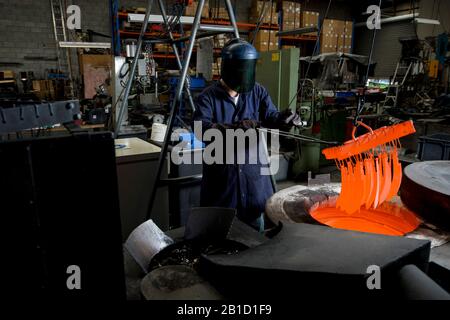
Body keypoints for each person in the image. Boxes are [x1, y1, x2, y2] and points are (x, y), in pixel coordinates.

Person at [193, 38, 300, 231]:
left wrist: (284, 119)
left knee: (254, 233)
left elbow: (270, 117)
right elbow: (201, 129)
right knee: (222, 234)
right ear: (228, 67)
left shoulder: (257, 92)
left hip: (253, 179)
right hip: (224, 181)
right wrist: (236, 129)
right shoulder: (208, 97)